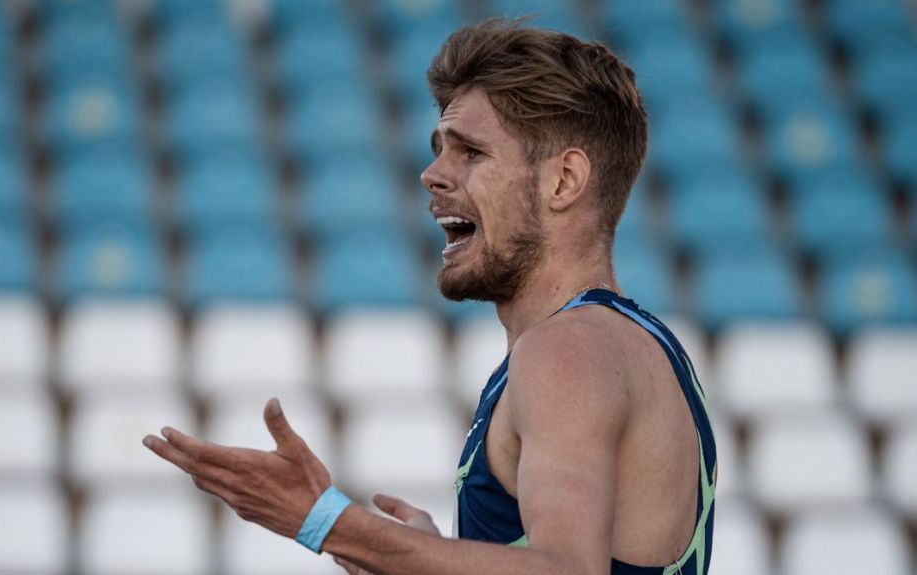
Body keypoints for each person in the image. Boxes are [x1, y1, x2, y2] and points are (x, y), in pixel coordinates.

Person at [144, 19, 716, 575]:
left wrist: (324, 522)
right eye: (439, 148)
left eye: (470, 153)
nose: (431, 174)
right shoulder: (634, 346)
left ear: (563, 181)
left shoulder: (568, 349)